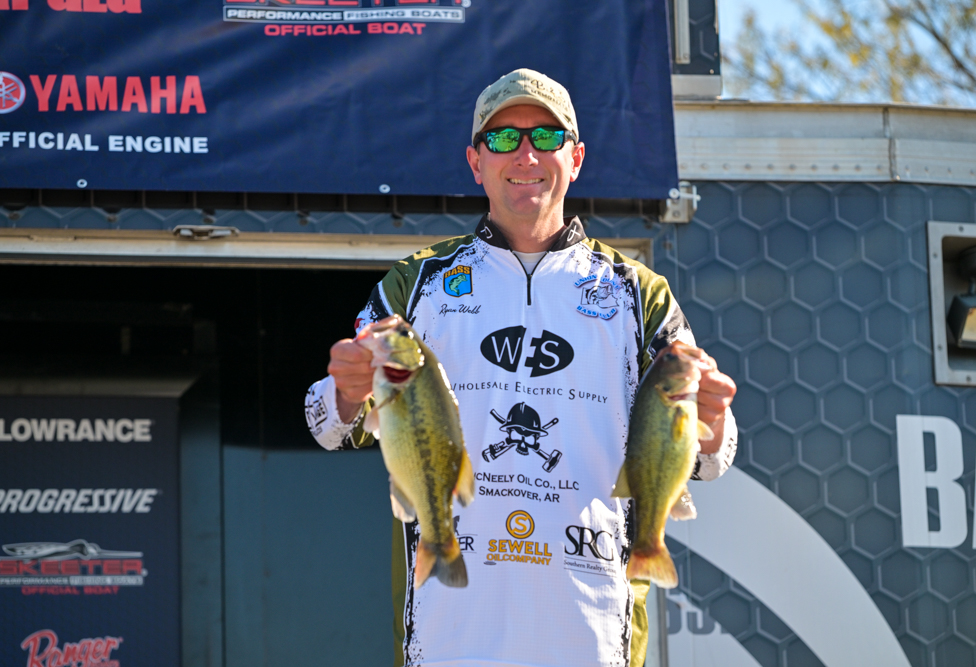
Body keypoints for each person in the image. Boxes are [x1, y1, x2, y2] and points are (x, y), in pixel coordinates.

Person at [305, 68, 737, 667]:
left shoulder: (639, 293)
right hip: (451, 636)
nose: (526, 154)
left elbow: (713, 460)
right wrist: (346, 389)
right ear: (475, 161)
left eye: (547, 137)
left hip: (592, 634)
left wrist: (712, 421)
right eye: (504, 138)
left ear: (576, 158)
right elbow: (326, 425)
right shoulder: (417, 284)